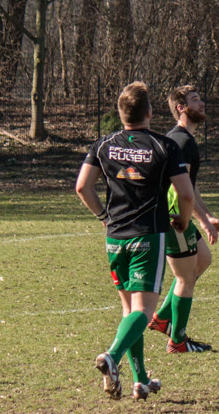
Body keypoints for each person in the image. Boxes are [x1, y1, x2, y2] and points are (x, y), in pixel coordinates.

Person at [76, 82, 195, 400]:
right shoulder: (164, 146)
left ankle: (140, 379)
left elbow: (82, 187)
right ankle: (112, 356)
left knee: (130, 310)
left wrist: (103, 217)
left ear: (121, 113)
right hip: (147, 236)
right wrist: (183, 220)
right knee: (144, 311)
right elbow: (185, 194)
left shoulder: (103, 145)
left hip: (114, 237)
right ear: (150, 112)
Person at [146, 86, 219, 352]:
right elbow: (179, 191)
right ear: (181, 108)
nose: (201, 103)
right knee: (185, 277)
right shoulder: (182, 142)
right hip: (173, 217)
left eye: (200, 98)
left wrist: (208, 215)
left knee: (202, 259)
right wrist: (202, 221)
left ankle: (162, 318)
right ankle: (177, 341)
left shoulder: (181, 139)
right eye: (195, 100)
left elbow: (189, 187)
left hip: (177, 213)